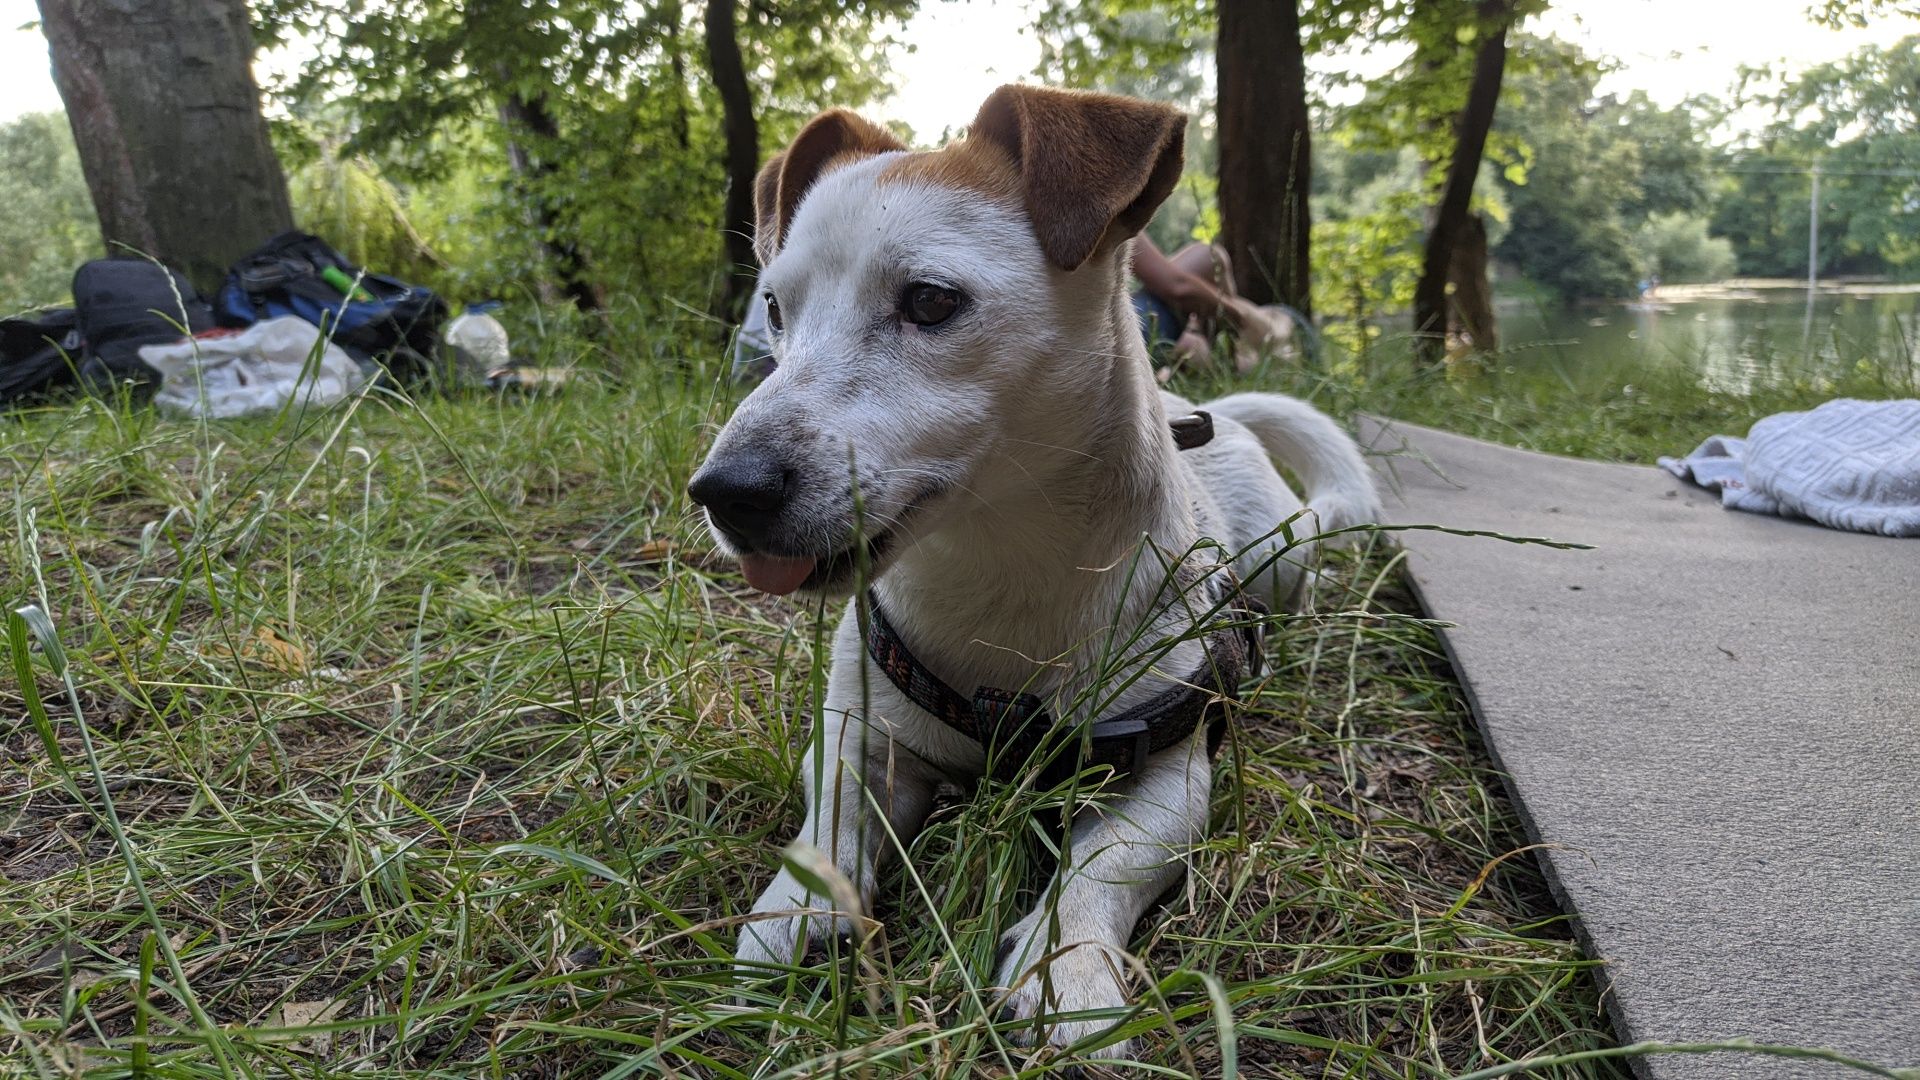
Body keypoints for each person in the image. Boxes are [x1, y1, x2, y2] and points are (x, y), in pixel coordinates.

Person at [1130, 233, 1296, 377]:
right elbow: (1178, 289)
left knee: (1194, 346)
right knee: (1209, 257)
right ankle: (1270, 333)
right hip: (1120, 336)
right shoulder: (1110, 199)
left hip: (1118, 333)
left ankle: (1235, 352)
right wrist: (1238, 316)